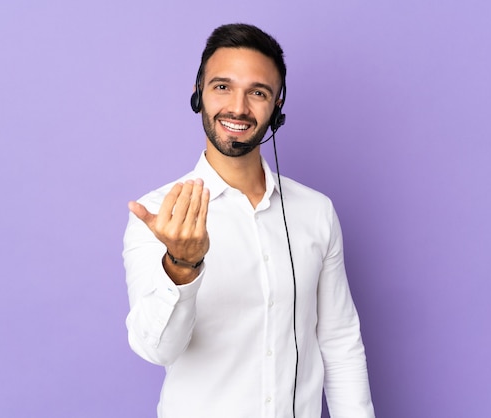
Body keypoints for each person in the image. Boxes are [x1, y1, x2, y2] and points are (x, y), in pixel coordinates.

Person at [123, 23, 375, 418]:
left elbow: (339, 341)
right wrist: (181, 266)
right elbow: (156, 349)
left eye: (257, 92)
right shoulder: (160, 215)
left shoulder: (316, 211)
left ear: (277, 107)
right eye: (222, 86)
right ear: (198, 95)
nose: (238, 108)